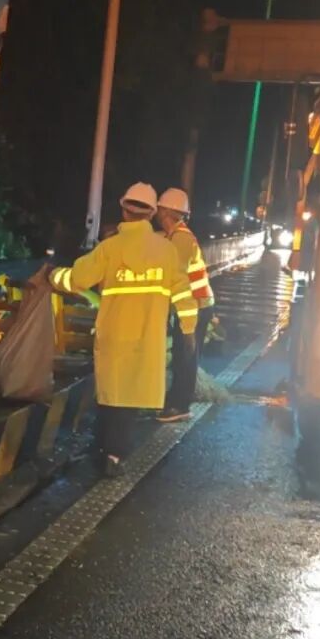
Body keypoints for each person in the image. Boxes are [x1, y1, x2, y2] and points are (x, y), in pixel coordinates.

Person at [47, 183, 198, 475]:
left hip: (114, 335)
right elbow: (183, 292)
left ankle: (105, 449)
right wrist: (188, 328)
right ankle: (115, 454)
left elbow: (77, 279)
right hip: (147, 337)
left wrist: (54, 276)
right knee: (132, 397)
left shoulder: (110, 248)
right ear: (153, 213)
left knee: (111, 395)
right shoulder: (166, 251)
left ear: (123, 208)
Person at [156, 188, 216, 422]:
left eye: (160, 208)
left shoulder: (180, 238)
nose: (158, 211)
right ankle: (176, 400)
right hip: (193, 305)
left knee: (186, 357)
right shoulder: (175, 235)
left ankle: (179, 406)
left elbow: (176, 277)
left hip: (193, 308)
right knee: (184, 355)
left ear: (168, 211)